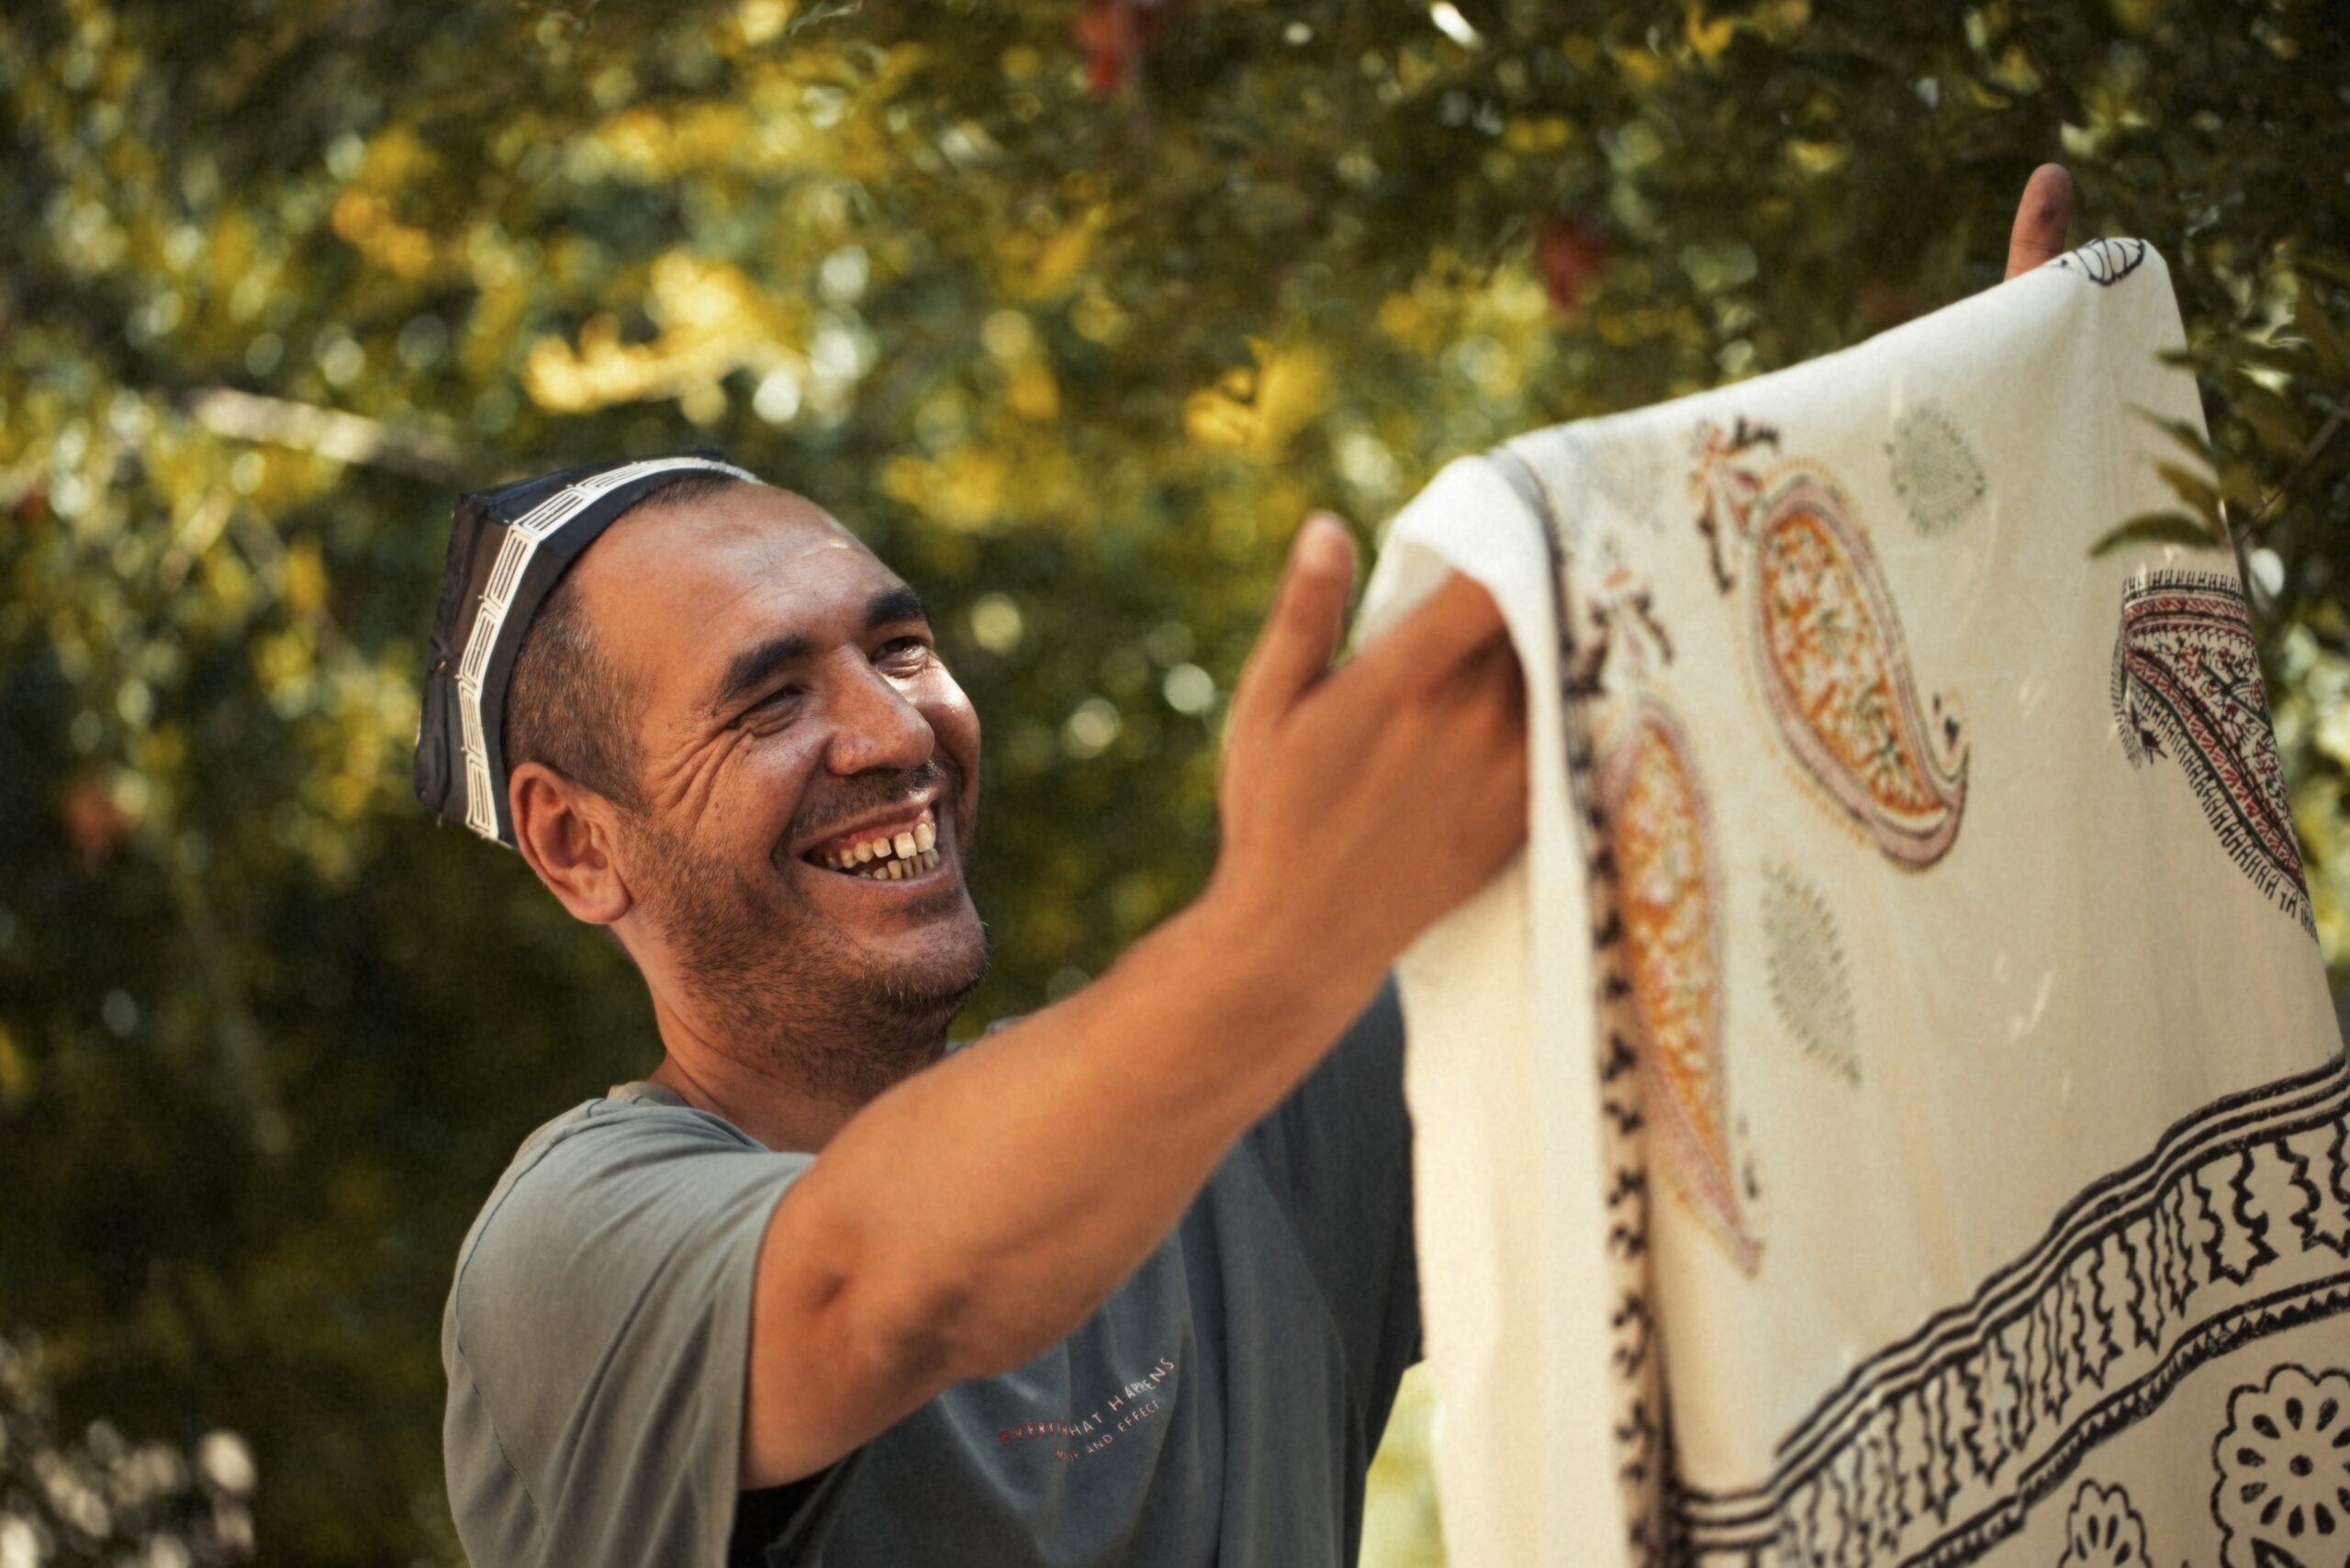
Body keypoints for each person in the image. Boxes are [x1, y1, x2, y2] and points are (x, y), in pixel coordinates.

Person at [430, 169, 2078, 1567]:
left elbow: (1736, 920)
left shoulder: (1247, 1139)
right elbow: (878, 1292)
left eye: (900, 647)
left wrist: (1972, 550)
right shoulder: (574, 1246)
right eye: (770, 698)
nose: (891, 729)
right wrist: (1286, 921)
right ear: (577, 843)